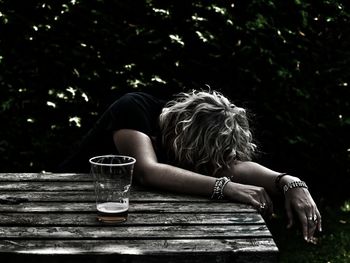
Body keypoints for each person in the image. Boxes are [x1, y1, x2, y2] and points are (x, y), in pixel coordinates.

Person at [57, 89, 322, 243]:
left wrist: (289, 182)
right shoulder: (133, 109)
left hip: (125, 222)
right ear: (188, 136)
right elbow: (148, 171)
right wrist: (225, 188)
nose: (208, 167)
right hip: (63, 203)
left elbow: (232, 166)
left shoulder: (188, 148)